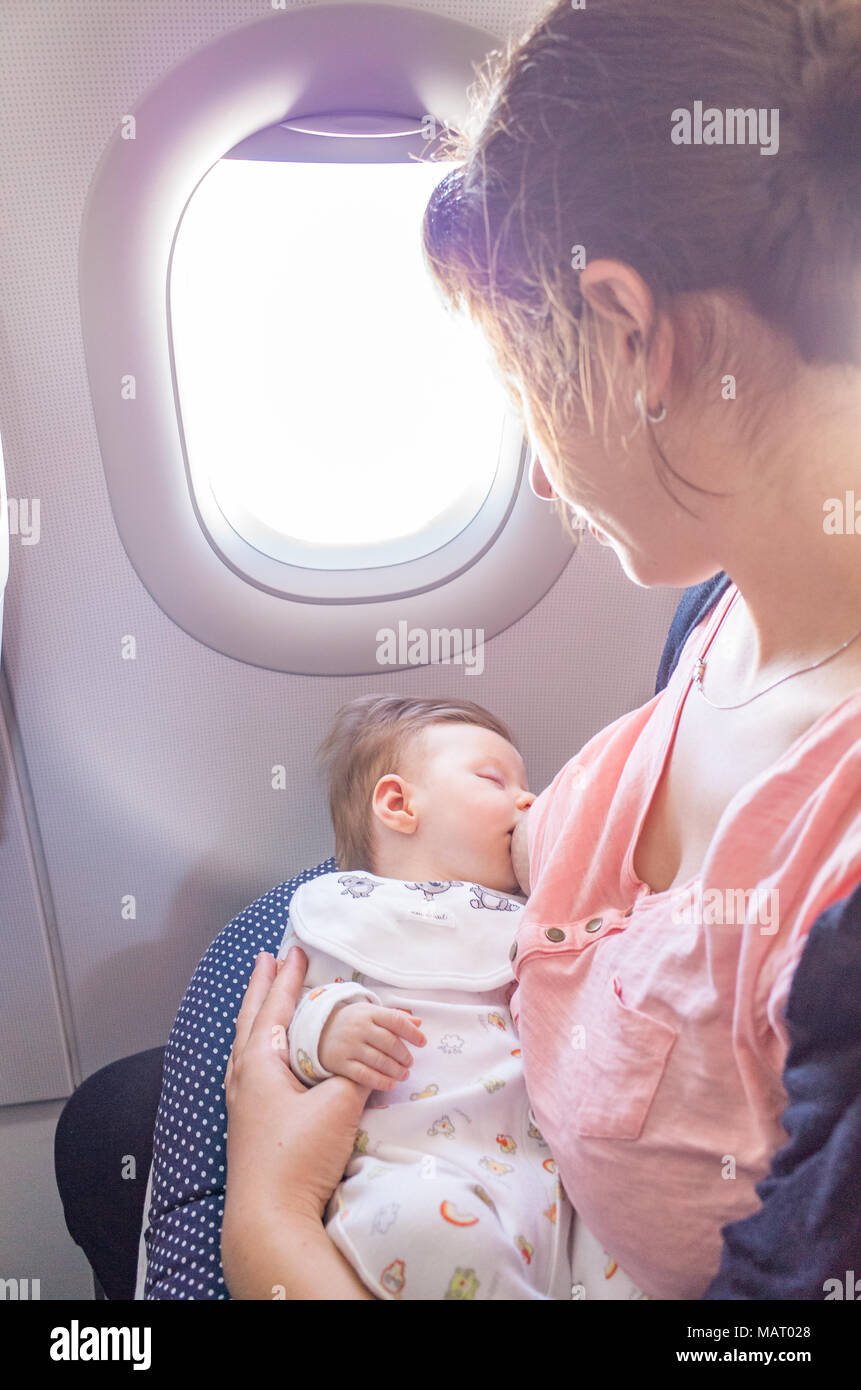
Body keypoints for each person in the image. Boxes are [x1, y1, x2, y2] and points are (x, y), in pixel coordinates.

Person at [148, 0, 861, 1299]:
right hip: (523, 1160)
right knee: (100, 1128)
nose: (538, 476)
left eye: (527, 386)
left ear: (633, 327)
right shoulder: (717, 619)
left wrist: (273, 1237)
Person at [265, 693, 603, 1301]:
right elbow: (294, 1016)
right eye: (494, 779)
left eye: (526, 786)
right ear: (398, 803)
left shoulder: (534, 914)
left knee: (632, 1252)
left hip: (563, 1188)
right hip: (424, 1170)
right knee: (431, 1232)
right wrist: (333, 1030)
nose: (529, 801)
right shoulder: (346, 911)